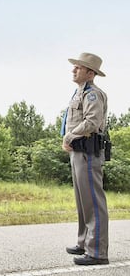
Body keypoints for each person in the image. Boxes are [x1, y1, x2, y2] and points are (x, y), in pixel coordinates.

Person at [61, 52, 109, 265]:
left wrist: (69, 136)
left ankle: (97, 252)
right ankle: (84, 243)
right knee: (82, 202)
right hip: (78, 152)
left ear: (90, 73)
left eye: (79, 67)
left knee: (93, 202)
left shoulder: (92, 94)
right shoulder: (79, 92)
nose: (74, 70)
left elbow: (92, 121)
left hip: (88, 153)